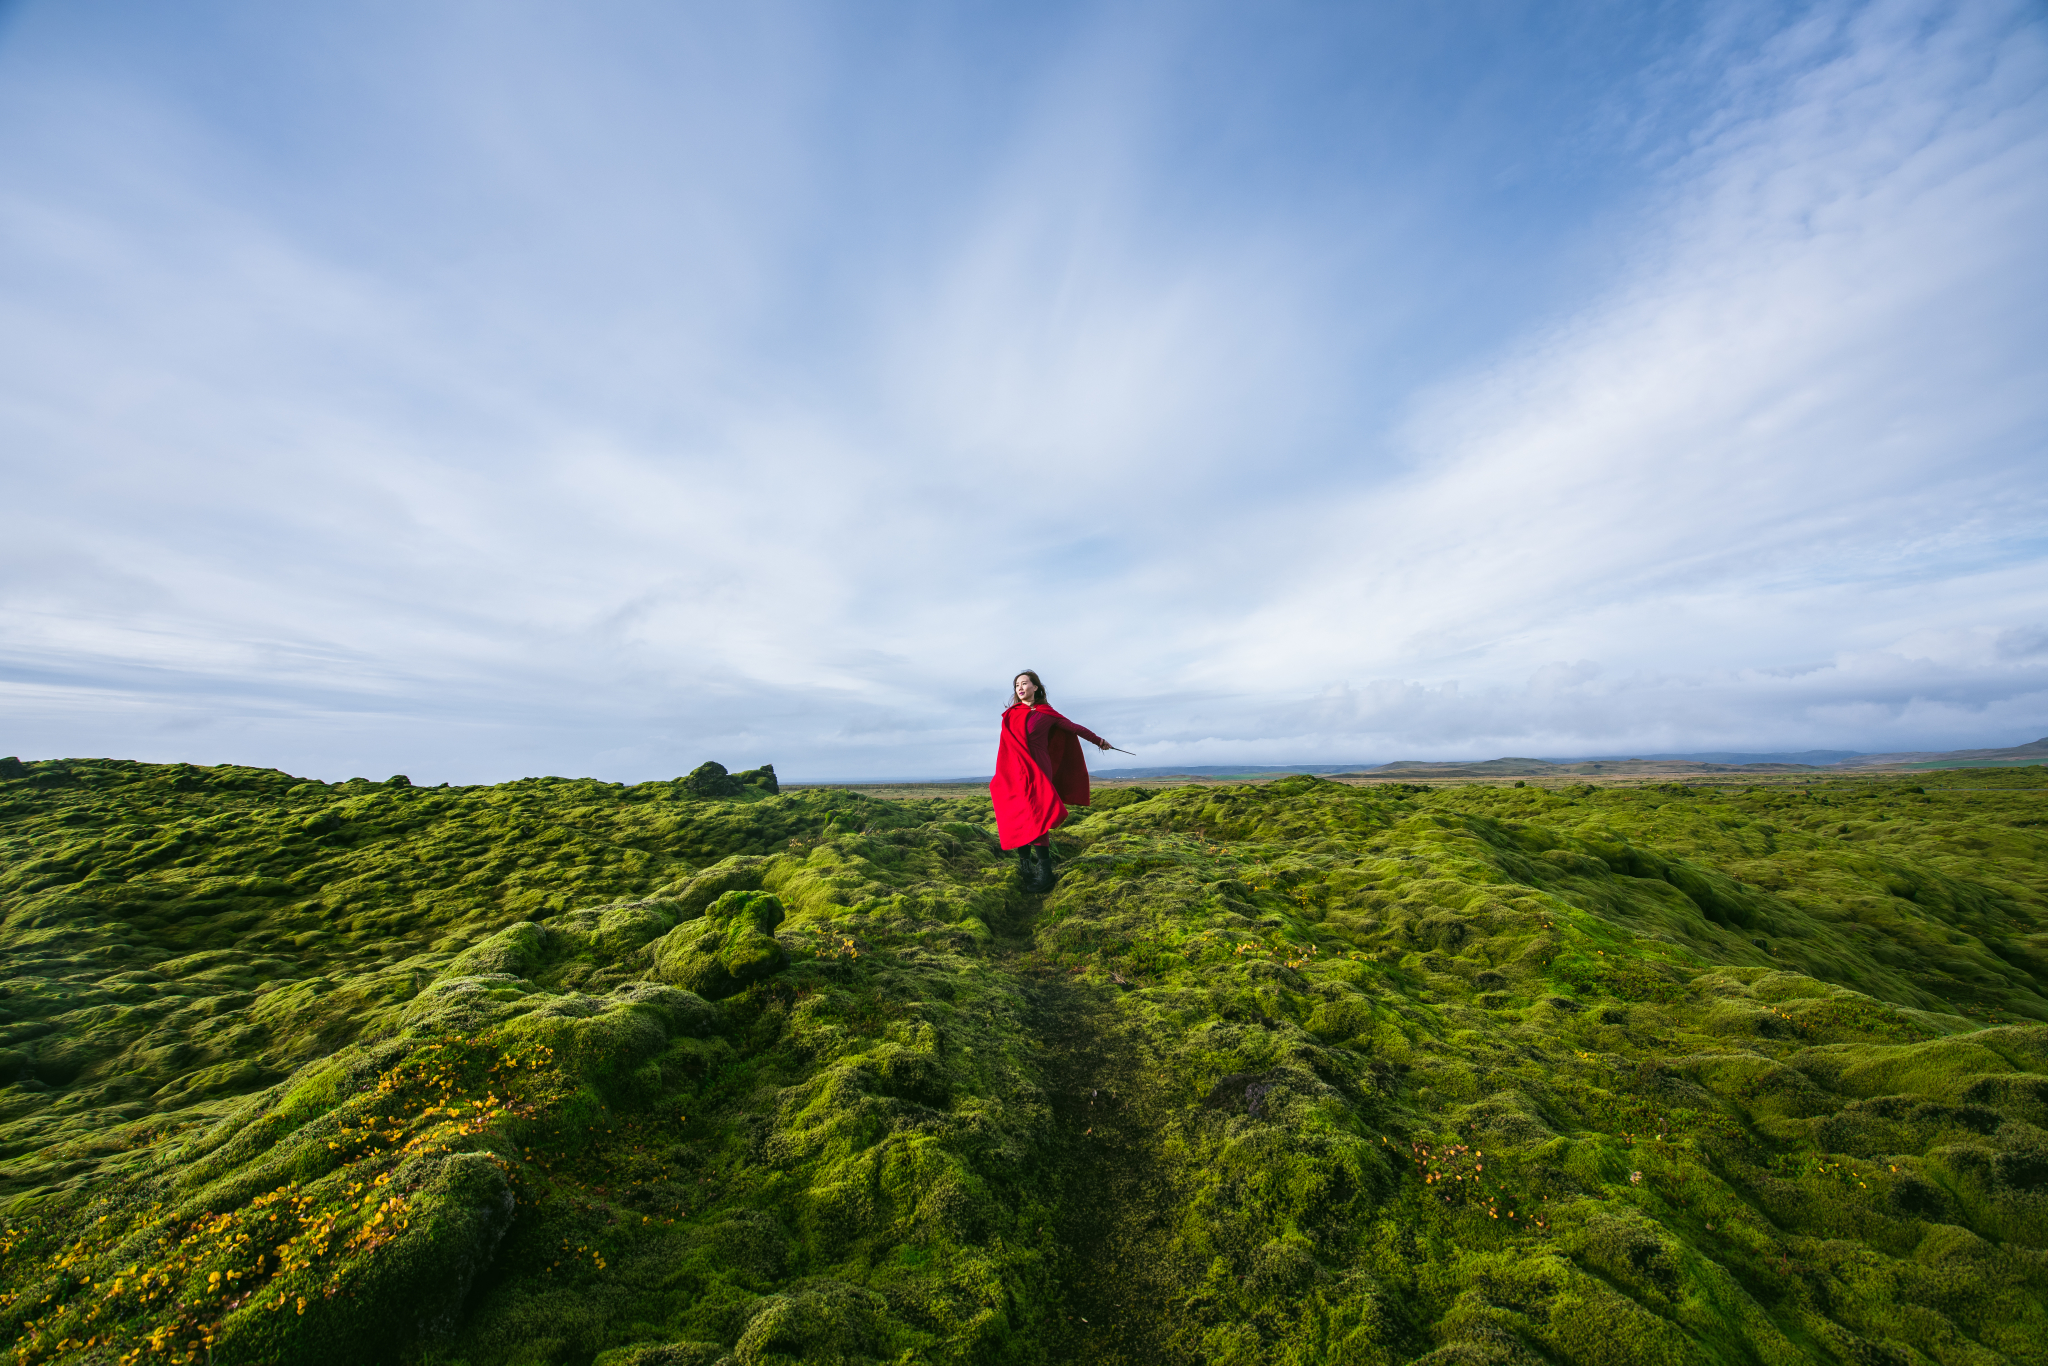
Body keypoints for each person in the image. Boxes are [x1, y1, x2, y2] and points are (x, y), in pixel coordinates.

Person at [990, 670, 1114, 892]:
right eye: (1017, 685)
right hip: (1015, 771)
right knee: (1019, 815)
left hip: (1038, 769)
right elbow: (1007, 748)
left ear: (1035, 687)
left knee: (1037, 816)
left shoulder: (1047, 713)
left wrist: (1099, 741)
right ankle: (1025, 869)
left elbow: (1075, 728)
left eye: (1024, 683)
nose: (1020, 688)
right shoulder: (1011, 714)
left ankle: (1046, 875)